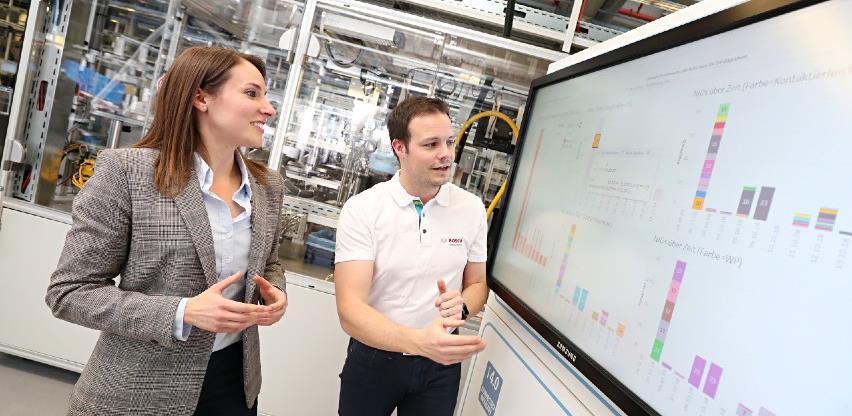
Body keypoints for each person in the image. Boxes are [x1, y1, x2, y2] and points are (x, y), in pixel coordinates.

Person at [45, 46, 288, 416]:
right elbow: (70, 293)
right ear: (201, 98)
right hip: (139, 389)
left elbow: (270, 262)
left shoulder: (267, 185)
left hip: (235, 384)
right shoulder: (127, 173)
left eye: (265, 96)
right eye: (252, 93)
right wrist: (182, 312)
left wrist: (275, 292)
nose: (268, 109)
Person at [334, 96, 489, 416]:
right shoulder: (364, 209)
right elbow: (350, 310)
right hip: (375, 357)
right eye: (431, 144)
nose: (446, 154)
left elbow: (478, 284)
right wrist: (419, 341)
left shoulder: (471, 208)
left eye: (449, 142)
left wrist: (461, 306)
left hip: (440, 365)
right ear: (399, 148)